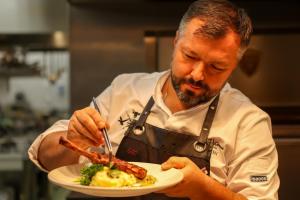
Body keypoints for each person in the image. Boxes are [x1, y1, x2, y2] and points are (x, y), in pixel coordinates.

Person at [28, 0, 279, 199]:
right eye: (189, 56)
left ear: (234, 65)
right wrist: (73, 138)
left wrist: (203, 189)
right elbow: (46, 157)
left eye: (216, 67)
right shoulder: (124, 89)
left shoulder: (248, 122)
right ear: (175, 42)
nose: (197, 74)